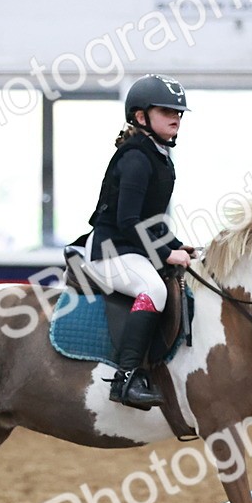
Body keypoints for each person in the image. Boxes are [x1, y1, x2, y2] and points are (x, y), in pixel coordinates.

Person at [78, 74, 196, 410]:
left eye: (179, 112)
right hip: (109, 250)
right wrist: (164, 253)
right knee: (155, 291)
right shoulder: (136, 158)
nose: (176, 117)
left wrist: (178, 245)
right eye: (166, 110)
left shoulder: (157, 155)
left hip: (130, 247)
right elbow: (128, 221)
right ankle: (125, 378)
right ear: (141, 116)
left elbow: (152, 220)